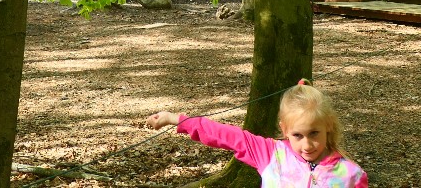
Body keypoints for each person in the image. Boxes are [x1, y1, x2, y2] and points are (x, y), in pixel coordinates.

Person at [146, 79, 368, 187]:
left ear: (328, 126)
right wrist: (175, 119)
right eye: (298, 136)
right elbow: (224, 134)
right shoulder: (271, 154)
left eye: (314, 133)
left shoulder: (351, 175)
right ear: (285, 130)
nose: (307, 145)